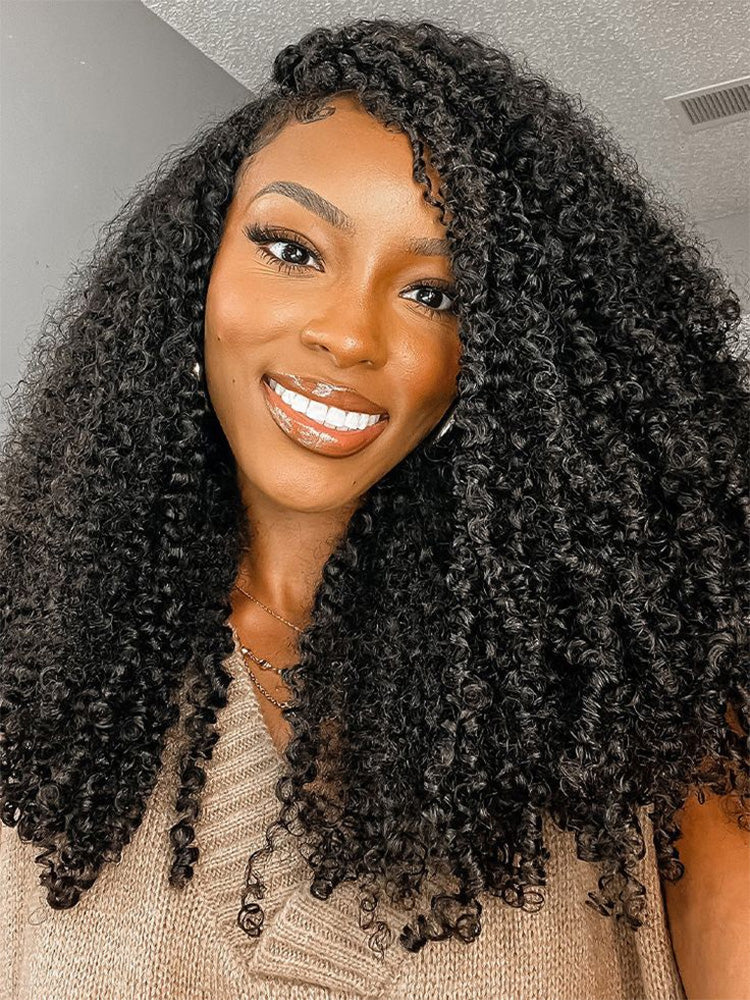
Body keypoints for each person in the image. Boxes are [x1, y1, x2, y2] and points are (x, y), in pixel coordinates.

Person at [1, 15, 748, 1000]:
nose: (350, 336)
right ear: (195, 269)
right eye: (291, 248)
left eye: (435, 295)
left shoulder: (636, 695)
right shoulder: (31, 656)